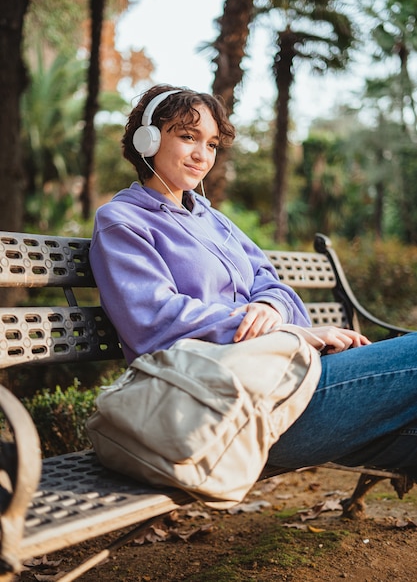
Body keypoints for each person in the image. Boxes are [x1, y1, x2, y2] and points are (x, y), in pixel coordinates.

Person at [90, 84, 417, 479]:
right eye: (188, 137)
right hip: (229, 403)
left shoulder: (212, 219)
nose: (201, 155)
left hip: (284, 378)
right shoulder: (122, 222)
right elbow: (153, 320)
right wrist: (281, 333)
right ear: (149, 139)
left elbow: (271, 283)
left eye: (211, 144)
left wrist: (270, 308)